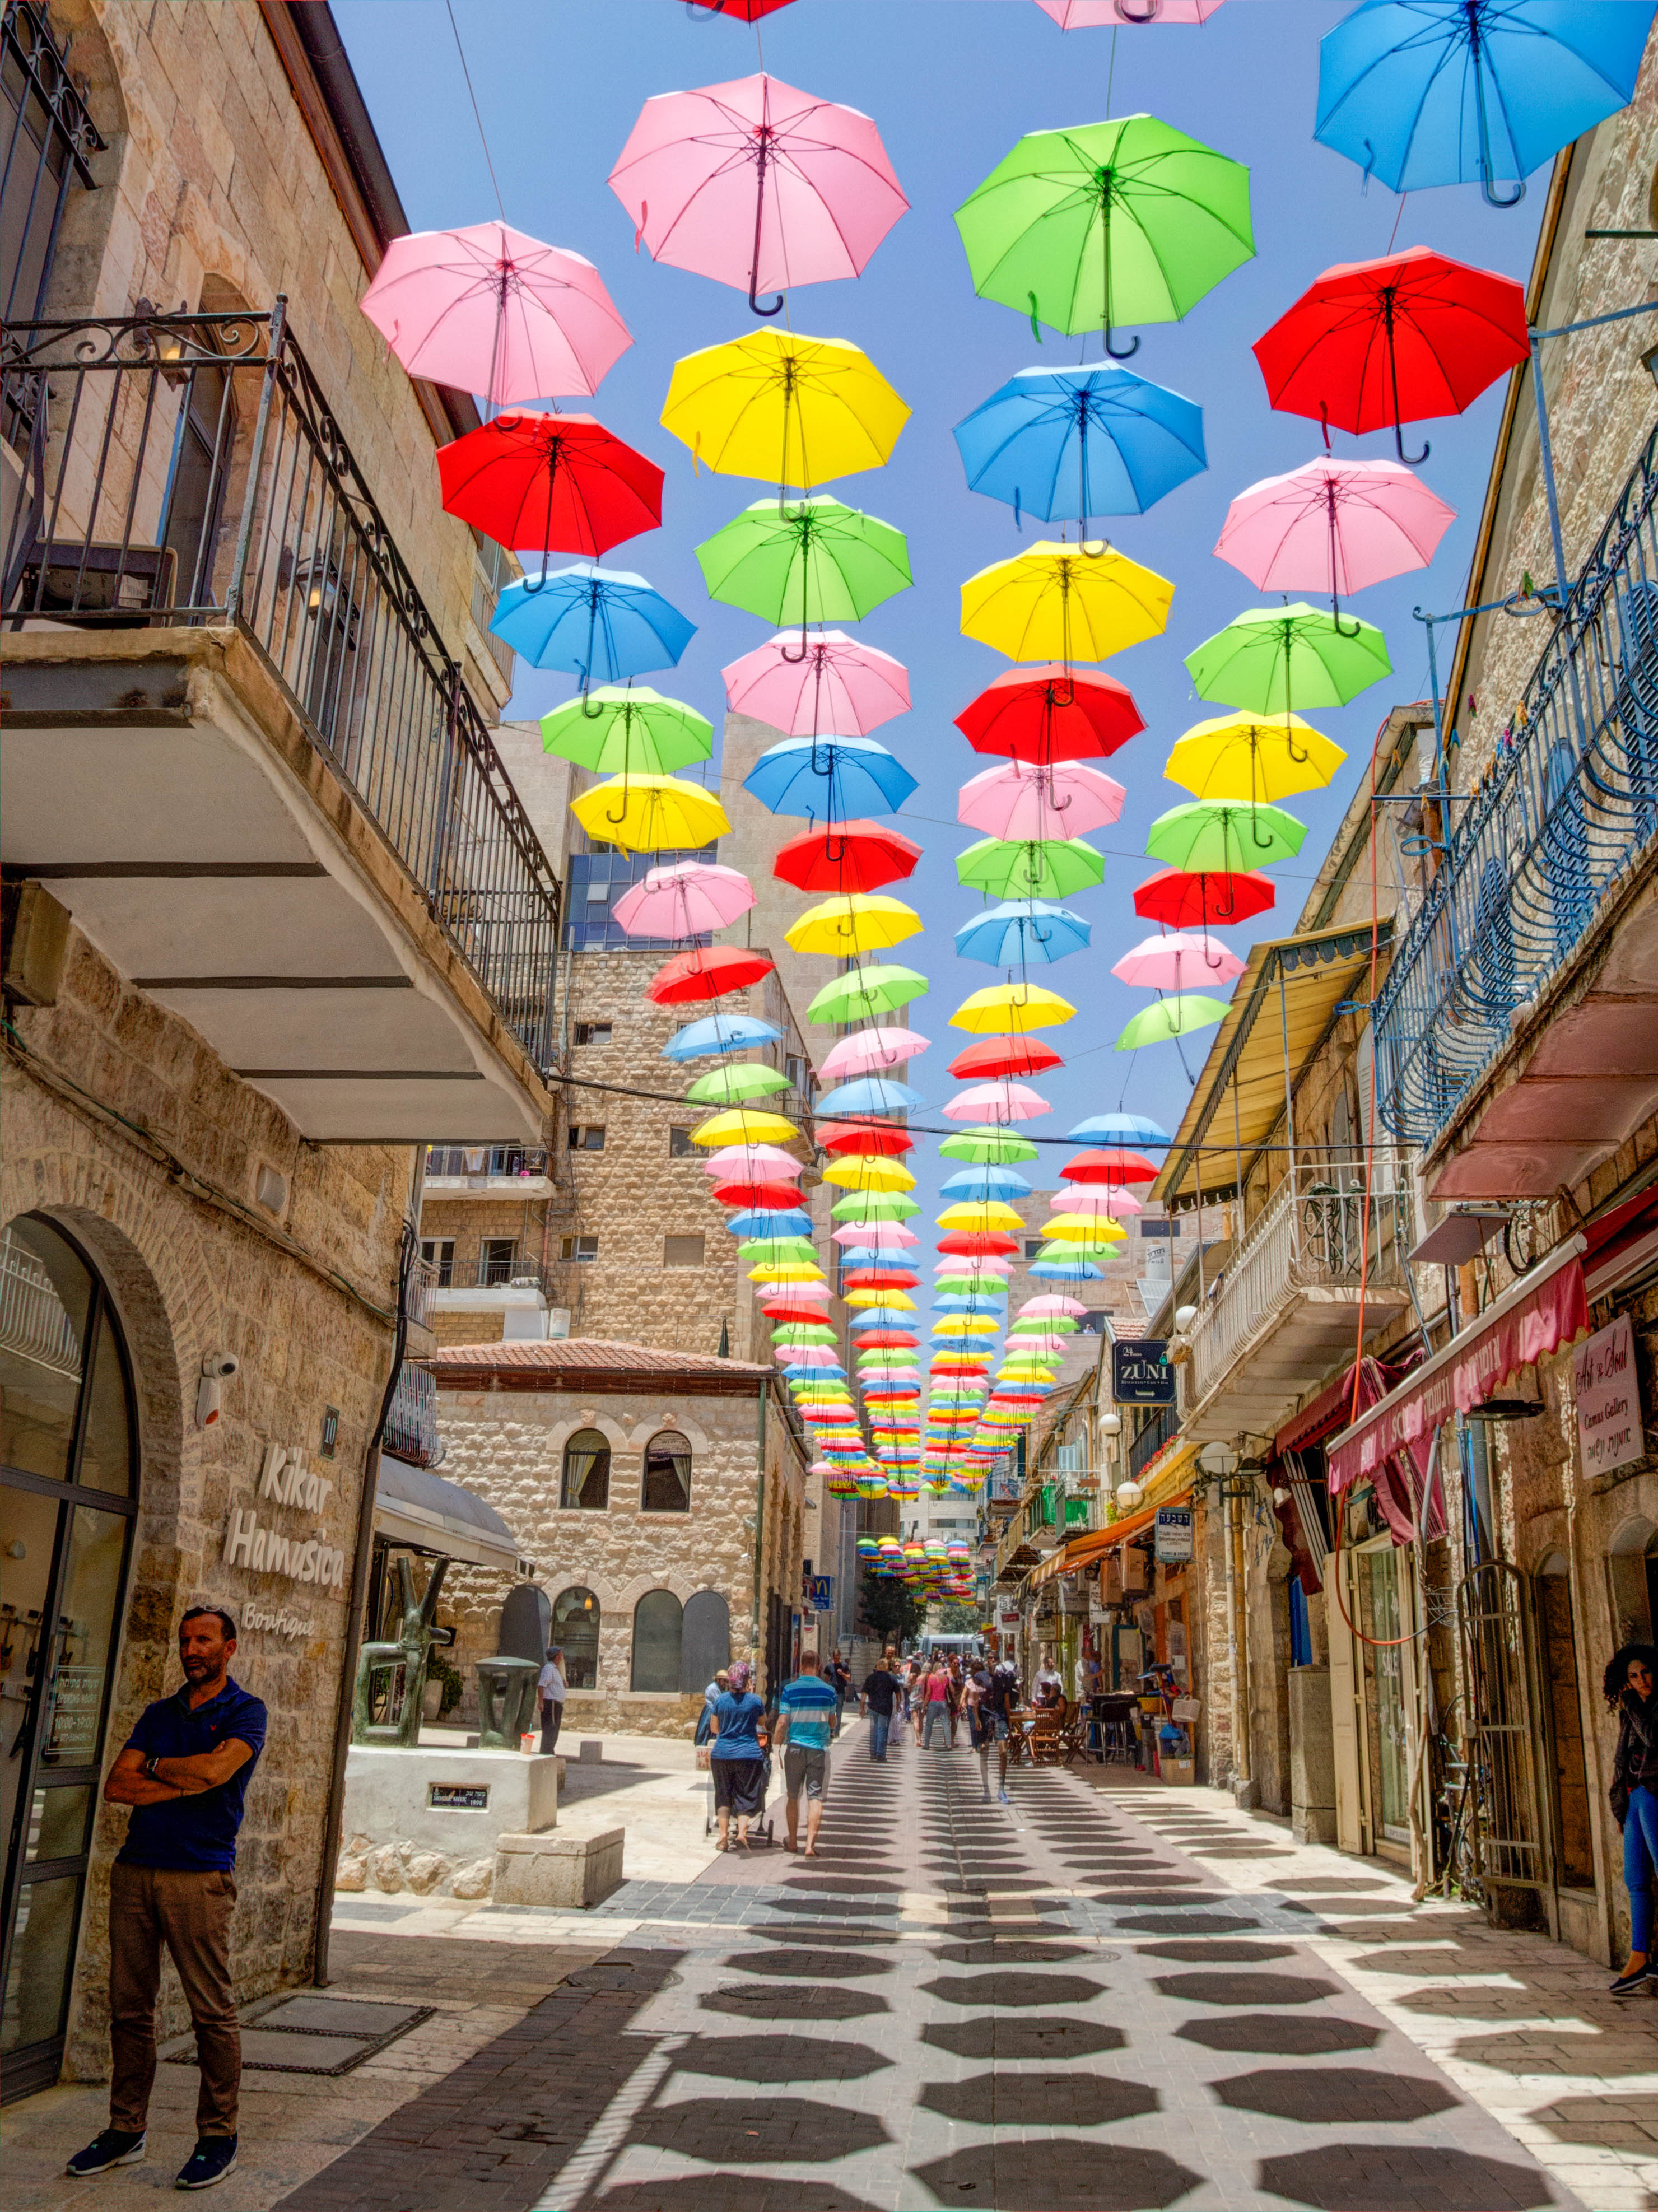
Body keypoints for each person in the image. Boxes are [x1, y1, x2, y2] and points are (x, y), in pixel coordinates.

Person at [67, 1606, 267, 2190]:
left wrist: (156, 1769)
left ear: (229, 1647)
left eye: (204, 1639)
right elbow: (117, 1784)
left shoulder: (246, 1710)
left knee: (212, 2012)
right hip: (136, 1870)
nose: (192, 1649)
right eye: (185, 1640)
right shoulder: (159, 1713)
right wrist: (179, 1781)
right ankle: (126, 2129)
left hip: (199, 1875)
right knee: (130, 2009)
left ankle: (219, 2137)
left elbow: (214, 1773)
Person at [1605, 1642, 1658, 1994]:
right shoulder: (1631, 1710)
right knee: (1636, 1881)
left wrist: (1631, 1703)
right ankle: (1639, 1958)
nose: (1641, 1681)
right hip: (1635, 1798)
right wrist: (1619, 1806)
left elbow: (1653, 1738)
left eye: (1646, 1672)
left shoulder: (1644, 1706)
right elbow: (1621, 1759)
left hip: (1655, 1795)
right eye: (1633, 1676)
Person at [776, 1660, 839, 1855]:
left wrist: (776, 1747)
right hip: (818, 1749)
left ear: (801, 1667)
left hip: (795, 1747)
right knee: (815, 1797)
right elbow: (832, 1722)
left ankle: (793, 1842)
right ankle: (810, 1846)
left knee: (793, 1797)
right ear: (819, 1667)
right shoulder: (829, 1691)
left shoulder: (790, 1690)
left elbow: (782, 1722)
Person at [707, 1659, 767, 1851]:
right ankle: (742, 1834)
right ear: (747, 1679)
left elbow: (714, 1728)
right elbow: (763, 1722)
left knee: (723, 1795)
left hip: (722, 1754)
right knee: (746, 1795)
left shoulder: (721, 1701)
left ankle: (723, 1837)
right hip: (749, 1755)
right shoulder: (755, 1701)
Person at [986, 1658, 1022, 1803]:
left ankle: (1000, 1788)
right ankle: (1000, 1788)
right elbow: (1008, 1704)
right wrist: (1011, 1722)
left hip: (993, 1718)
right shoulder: (1006, 1684)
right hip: (1000, 1719)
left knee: (1002, 1753)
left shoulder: (990, 1681)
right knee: (1003, 1753)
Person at [965, 1662, 996, 1802]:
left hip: (993, 1716)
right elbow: (974, 1700)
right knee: (985, 1751)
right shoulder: (980, 1680)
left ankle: (991, 1788)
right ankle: (987, 1789)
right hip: (986, 1715)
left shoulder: (995, 1679)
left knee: (991, 1751)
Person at [860, 1656, 900, 1762]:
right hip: (885, 1709)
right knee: (882, 1730)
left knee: (874, 1730)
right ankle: (880, 1754)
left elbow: (864, 1694)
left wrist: (862, 1707)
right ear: (886, 1667)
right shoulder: (891, 1678)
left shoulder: (870, 1678)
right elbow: (898, 1692)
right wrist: (899, 1704)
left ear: (877, 1666)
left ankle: (873, 1753)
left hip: (873, 1708)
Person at [537, 1645, 566, 1756]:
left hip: (557, 1704)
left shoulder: (555, 1669)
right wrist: (541, 1702)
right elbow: (541, 1686)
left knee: (554, 1730)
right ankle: (546, 1752)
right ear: (557, 1656)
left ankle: (549, 1751)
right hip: (551, 1704)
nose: (562, 1657)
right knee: (550, 1729)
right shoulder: (549, 1668)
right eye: (561, 1654)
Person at [921, 1657, 952, 1750]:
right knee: (946, 1724)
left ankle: (927, 1744)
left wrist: (925, 1705)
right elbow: (953, 1690)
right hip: (943, 1703)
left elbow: (928, 1694)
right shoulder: (946, 1679)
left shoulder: (931, 1679)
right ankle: (949, 1744)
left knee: (929, 1724)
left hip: (933, 1703)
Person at [695, 1667, 729, 1748]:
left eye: (727, 1681)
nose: (726, 1683)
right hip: (710, 1713)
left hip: (716, 1712)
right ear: (718, 1680)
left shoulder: (721, 1689)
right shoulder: (712, 1689)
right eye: (724, 1681)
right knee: (707, 1733)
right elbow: (720, 1702)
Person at [829, 1651, 852, 1738]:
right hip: (831, 1692)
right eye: (835, 1658)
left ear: (840, 1656)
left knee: (838, 1712)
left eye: (838, 1658)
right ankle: (831, 1730)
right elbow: (826, 1678)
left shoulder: (844, 1666)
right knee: (831, 1712)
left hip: (840, 1692)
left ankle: (836, 1732)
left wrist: (842, 1674)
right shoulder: (829, 1666)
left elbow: (849, 1678)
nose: (836, 1659)